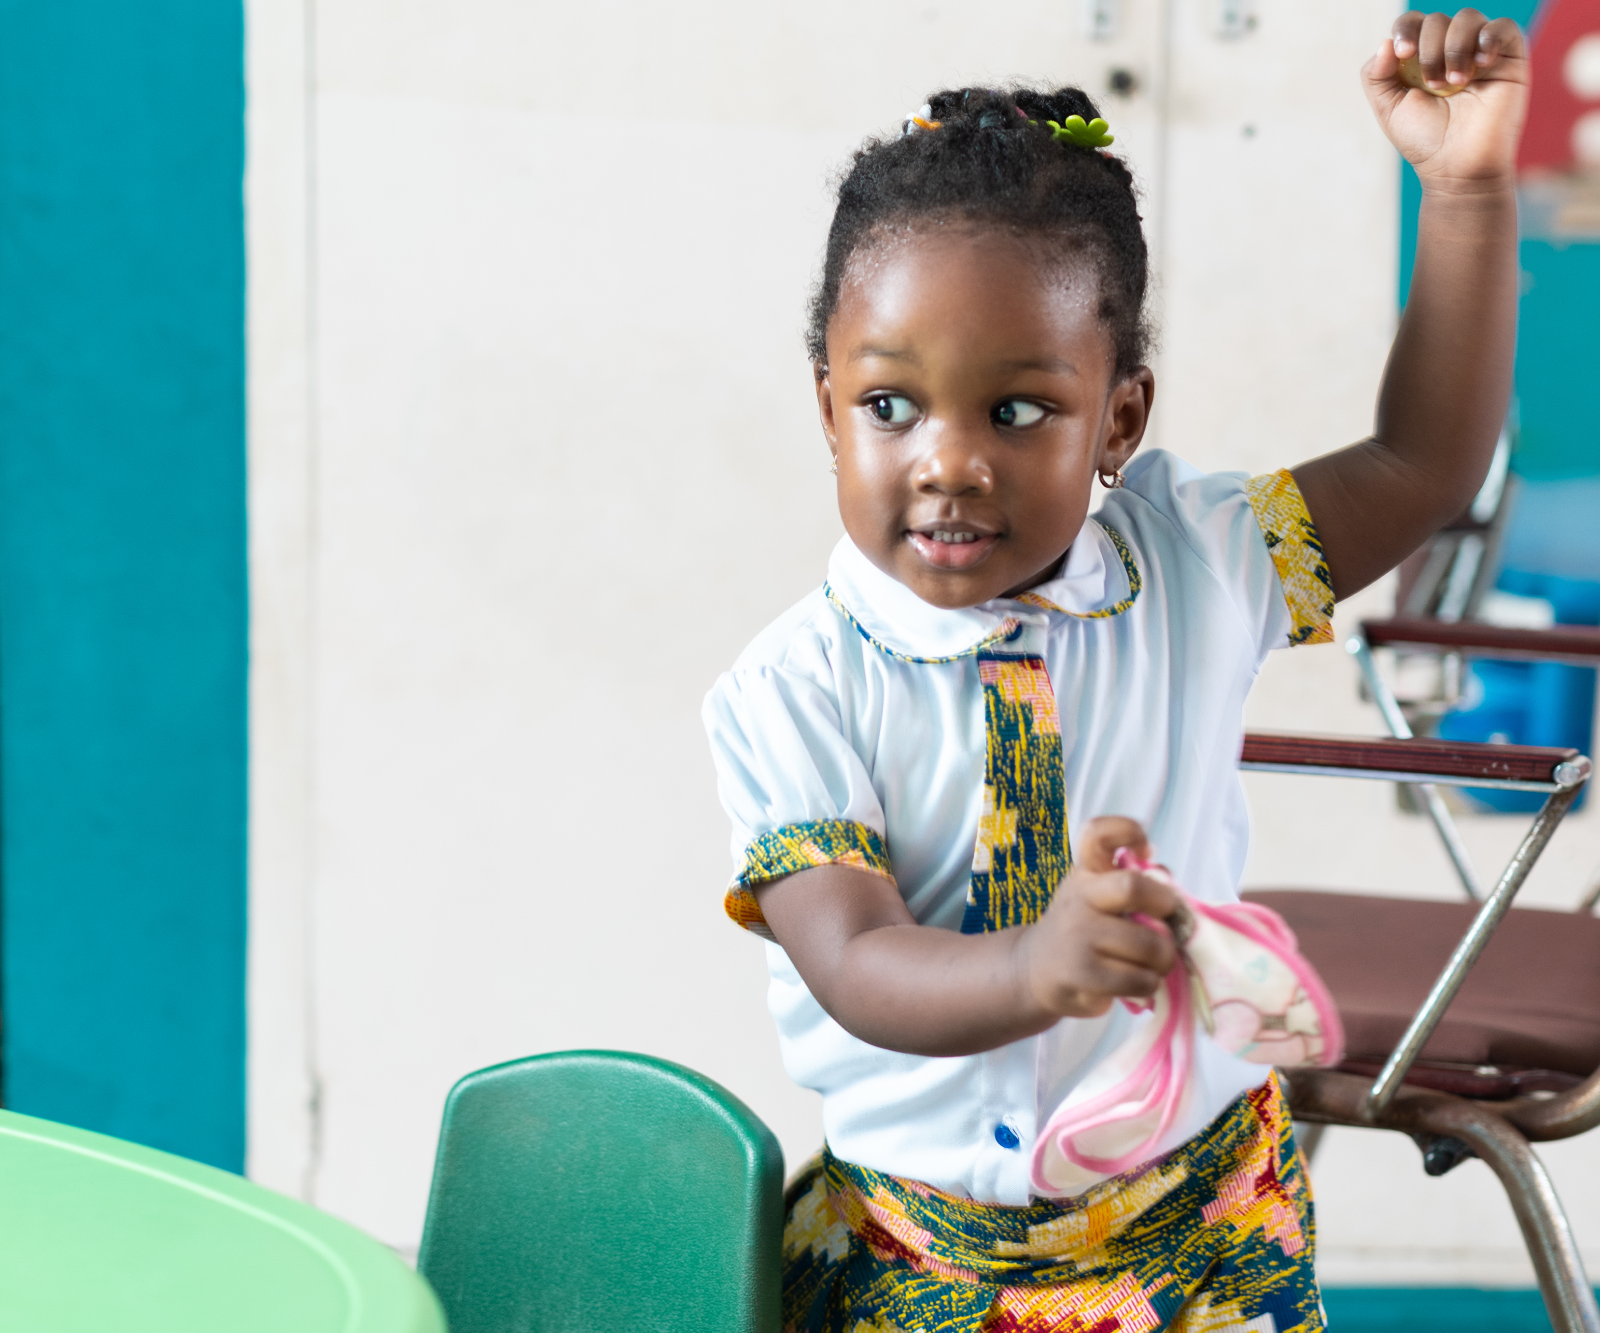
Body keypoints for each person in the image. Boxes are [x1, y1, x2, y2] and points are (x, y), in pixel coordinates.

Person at [701, 11, 1526, 1331]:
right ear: (828, 408)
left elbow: (1421, 467)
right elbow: (856, 962)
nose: (949, 461)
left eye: (1019, 410)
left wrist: (1469, 192)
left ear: (1118, 420)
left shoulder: (1202, 560)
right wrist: (1041, 963)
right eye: (889, 405)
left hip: (1201, 1229)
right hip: (927, 1258)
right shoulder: (791, 689)